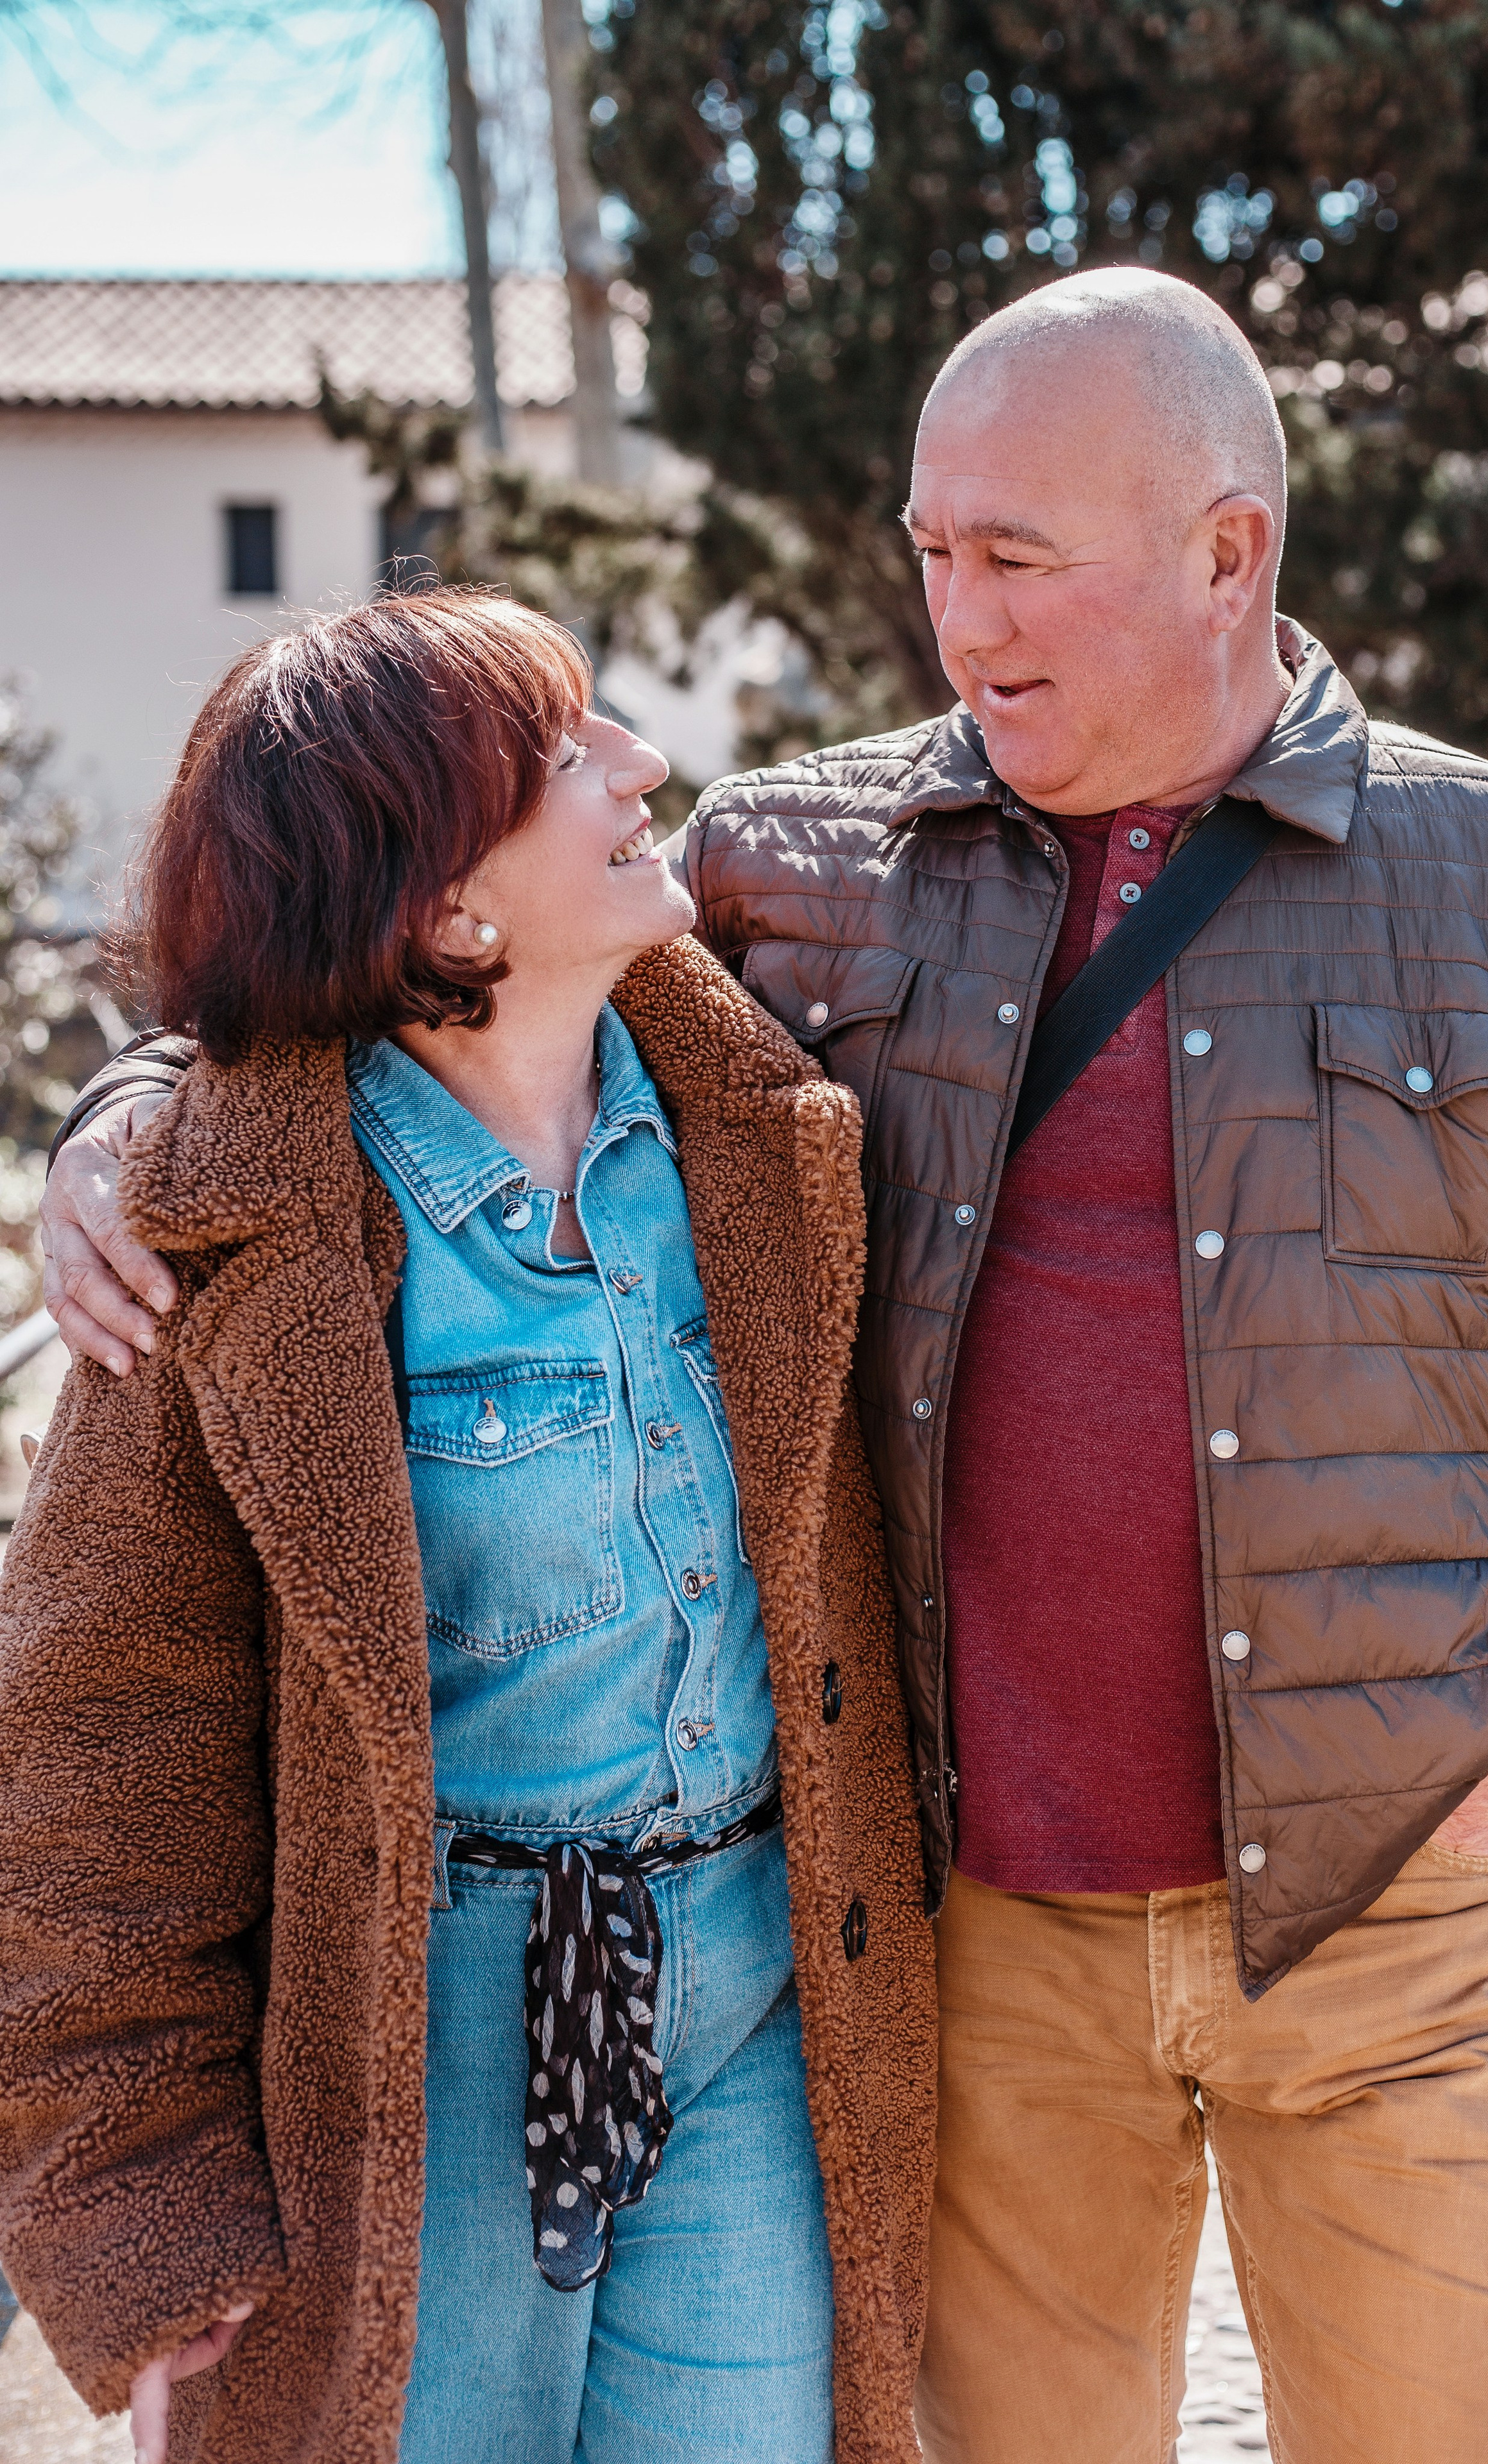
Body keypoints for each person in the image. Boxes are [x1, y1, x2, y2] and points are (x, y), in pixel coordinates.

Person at [40, 268, 1488, 2462]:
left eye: (1014, 556)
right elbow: (367, 936)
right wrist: (121, 1119)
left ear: (1227, 552)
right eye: (928, 545)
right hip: (974, 1934)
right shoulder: (799, 870)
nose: (952, 612)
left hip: (1386, 1903)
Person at [0, 590, 936, 2464]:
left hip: (757, 1984)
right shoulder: (221, 1244)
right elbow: (94, 1760)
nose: (643, 763)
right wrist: (138, 2213)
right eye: (568, 750)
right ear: (443, 910)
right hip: (410, 2040)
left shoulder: (762, 1134)